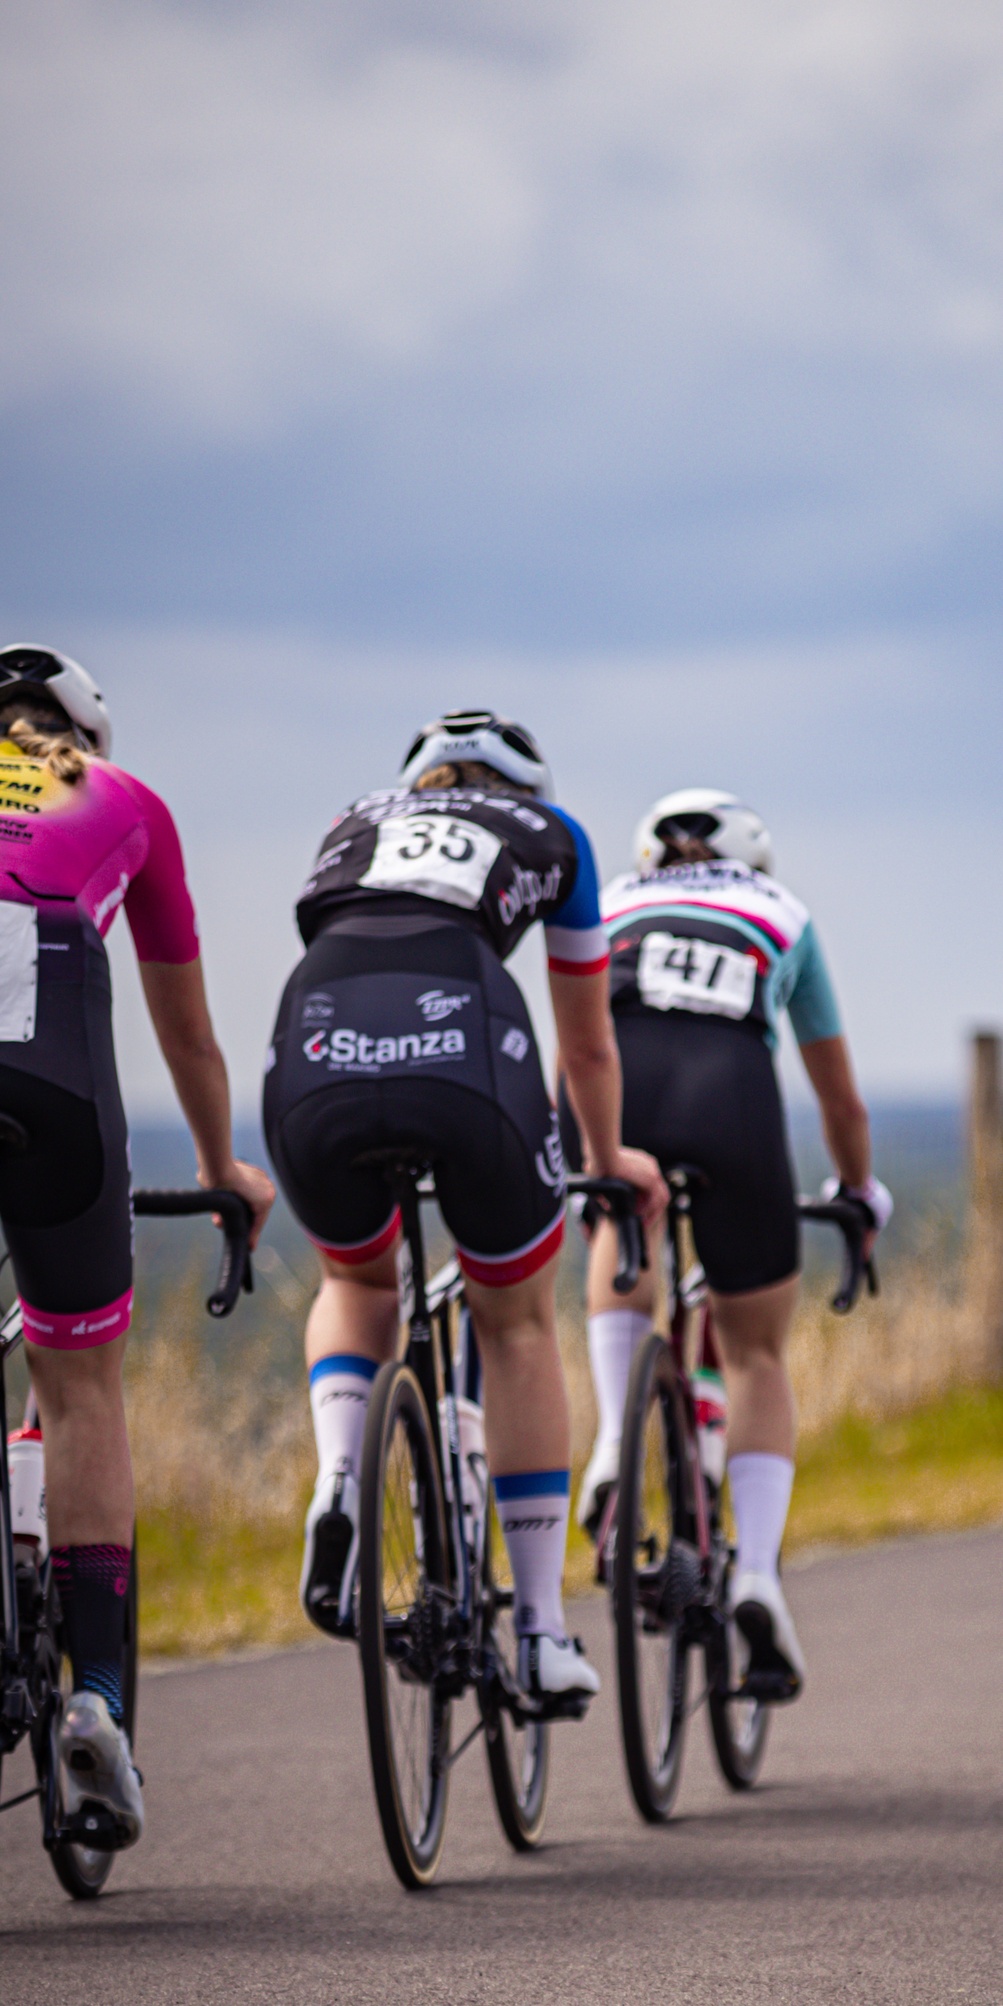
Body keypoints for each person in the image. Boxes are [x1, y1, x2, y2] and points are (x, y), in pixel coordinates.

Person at [0, 642, 274, 1844]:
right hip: (55, 1046)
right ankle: (97, 1707)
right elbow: (187, 1035)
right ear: (87, 730)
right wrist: (223, 1166)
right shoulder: (124, 802)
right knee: (81, 1389)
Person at [262, 708, 665, 1711]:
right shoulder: (554, 836)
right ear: (523, 788)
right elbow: (587, 1046)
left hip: (315, 1038)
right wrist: (607, 1160)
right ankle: (536, 1633)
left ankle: (339, 1479)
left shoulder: (349, 823)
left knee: (356, 1278)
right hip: (465, 1042)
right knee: (518, 1321)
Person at [562, 789, 890, 1699]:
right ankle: (755, 1577)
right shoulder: (781, 914)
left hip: (615, 1075)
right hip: (729, 1087)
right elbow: (841, 1103)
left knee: (625, 1217)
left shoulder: (617, 899)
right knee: (754, 1354)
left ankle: (613, 1446)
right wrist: (860, 1194)